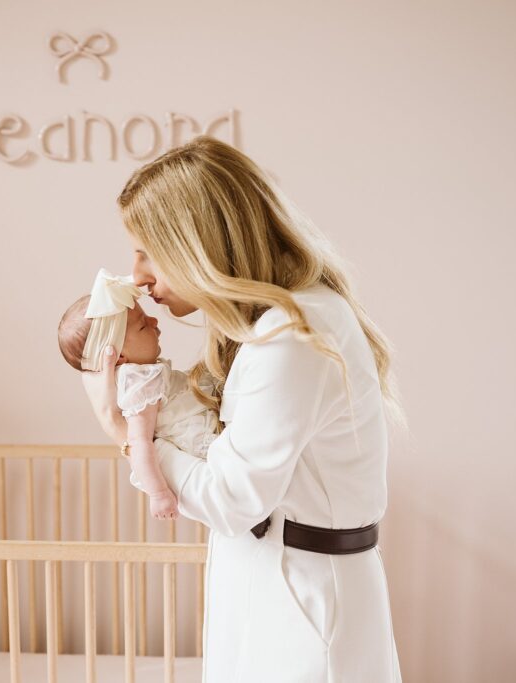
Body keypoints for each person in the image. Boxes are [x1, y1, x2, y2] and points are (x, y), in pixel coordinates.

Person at [81, 136, 406, 682]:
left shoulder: (291, 335)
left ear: (199, 244)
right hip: (271, 577)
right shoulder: (273, 324)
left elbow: (232, 500)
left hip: (300, 594)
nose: (136, 276)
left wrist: (124, 431)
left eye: (148, 250)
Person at [57, 268, 220, 520]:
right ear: (118, 355)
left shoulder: (140, 377)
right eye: (143, 326)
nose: (154, 322)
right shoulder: (138, 381)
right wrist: (158, 493)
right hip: (202, 440)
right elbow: (140, 442)